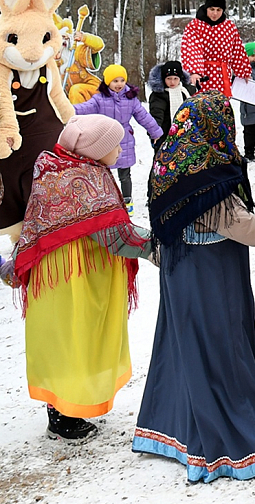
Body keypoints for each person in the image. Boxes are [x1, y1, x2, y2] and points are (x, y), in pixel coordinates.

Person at [134, 92, 255, 482]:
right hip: (210, 276)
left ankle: (174, 430)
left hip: (182, 274)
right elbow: (243, 226)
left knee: (186, 348)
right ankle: (234, 445)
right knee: (221, 351)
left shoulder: (171, 157)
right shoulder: (203, 169)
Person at [13, 114, 156, 441]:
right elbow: (116, 235)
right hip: (73, 279)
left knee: (64, 341)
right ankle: (64, 419)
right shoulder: (82, 179)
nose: (120, 149)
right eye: (114, 145)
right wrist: (158, 245)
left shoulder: (56, 165)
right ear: (94, 150)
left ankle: (66, 409)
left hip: (60, 275)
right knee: (77, 340)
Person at [72, 64, 163, 210]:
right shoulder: (99, 99)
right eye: (115, 81)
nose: (119, 84)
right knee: (103, 171)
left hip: (124, 140)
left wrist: (156, 132)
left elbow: (144, 117)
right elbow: (84, 108)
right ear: (108, 82)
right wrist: (67, 109)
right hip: (105, 139)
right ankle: (104, 201)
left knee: (125, 173)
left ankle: (127, 201)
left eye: (122, 80)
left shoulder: (131, 99)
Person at [179, 0, 252, 96]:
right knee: (204, 107)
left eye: (218, 10)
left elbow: (237, 51)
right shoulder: (195, 26)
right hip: (203, 77)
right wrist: (195, 71)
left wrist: (244, 71)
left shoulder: (229, 27)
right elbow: (192, 49)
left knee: (222, 107)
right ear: (206, 8)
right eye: (212, 9)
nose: (215, 13)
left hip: (223, 77)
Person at [148, 60, 196, 137]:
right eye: (169, 78)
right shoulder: (159, 95)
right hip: (165, 134)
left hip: (186, 133)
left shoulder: (184, 90)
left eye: (175, 78)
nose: (172, 82)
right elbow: (156, 114)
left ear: (180, 78)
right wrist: (155, 132)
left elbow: (193, 89)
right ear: (164, 79)